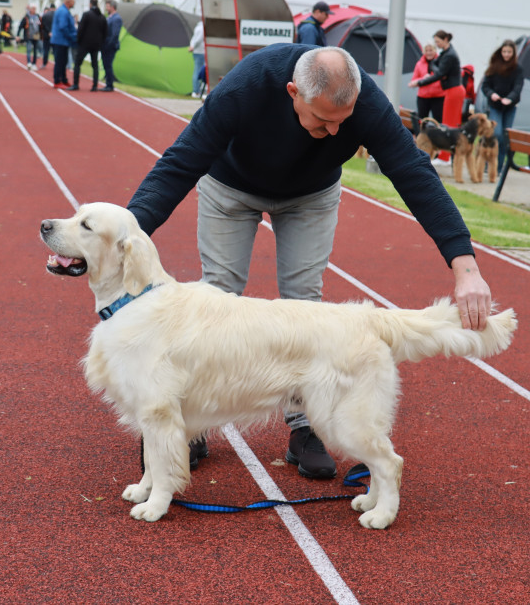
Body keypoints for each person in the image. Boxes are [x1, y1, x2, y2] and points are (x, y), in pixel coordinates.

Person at [126, 44, 492, 479]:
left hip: (311, 195)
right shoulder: (245, 86)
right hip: (230, 187)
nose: (336, 133)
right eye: (322, 120)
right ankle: (188, 424)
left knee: (306, 304)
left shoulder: (367, 104)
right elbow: (179, 163)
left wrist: (465, 266)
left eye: (344, 122)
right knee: (217, 298)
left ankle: (306, 425)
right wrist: (126, 235)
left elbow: (413, 173)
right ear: (292, 92)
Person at [408, 30, 463, 165]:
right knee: (447, 122)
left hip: (454, 90)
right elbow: (436, 68)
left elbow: (439, 74)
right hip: (450, 90)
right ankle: (447, 156)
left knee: (449, 124)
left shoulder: (449, 55)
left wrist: (419, 82)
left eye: (438, 42)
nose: (437, 45)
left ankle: (445, 157)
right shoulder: (445, 53)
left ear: (445, 39)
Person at [480, 39, 525, 172]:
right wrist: (492, 94)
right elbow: (485, 86)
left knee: (505, 137)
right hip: (495, 105)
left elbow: (518, 88)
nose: (506, 54)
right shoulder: (494, 66)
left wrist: (510, 99)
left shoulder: (518, 69)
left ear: (513, 53)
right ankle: (487, 163)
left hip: (510, 107)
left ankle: (498, 167)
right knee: (496, 133)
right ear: (501, 52)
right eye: (504, 51)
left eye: (509, 52)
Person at [68, 0, 107, 91]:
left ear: (90, 4)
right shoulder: (102, 17)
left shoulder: (87, 15)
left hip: (85, 44)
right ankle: (95, 86)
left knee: (77, 63)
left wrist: (78, 40)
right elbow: (105, 32)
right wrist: (100, 42)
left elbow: (80, 29)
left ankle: (76, 84)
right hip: (96, 45)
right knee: (95, 65)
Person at [411, 43, 445, 122]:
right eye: (426, 51)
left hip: (438, 97)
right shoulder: (419, 64)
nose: (429, 53)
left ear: (435, 51)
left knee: (439, 121)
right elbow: (413, 81)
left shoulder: (441, 62)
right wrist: (423, 78)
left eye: (431, 50)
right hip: (423, 97)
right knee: (422, 120)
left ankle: (438, 134)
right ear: (423, 52)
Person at [50, 0, 78, 87]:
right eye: (73, 2)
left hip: (63, 41)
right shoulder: (63, 11)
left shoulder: (65, 11)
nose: (74, 4)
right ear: (68, 2)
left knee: (64, 61)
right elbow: (63, 27)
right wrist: (71, 37)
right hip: (60, 40)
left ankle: (63, 79)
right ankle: (57, 80)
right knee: (60, 61)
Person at [101, 0, 122, 92]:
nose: (106, 8)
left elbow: (115, 34)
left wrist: (108, 45)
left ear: (112, 7)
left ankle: (109, 84)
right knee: (106, 64)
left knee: (108, 65)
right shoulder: (109, 17)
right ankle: (108, 83)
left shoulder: (116, 18)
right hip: (105, 45)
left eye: (107, 6)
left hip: (110, 46)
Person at [16, 4, 41, 71]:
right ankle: (29, 63)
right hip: (28, 35)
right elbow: (20, 26)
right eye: (33, 8)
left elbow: (40, 26)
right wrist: (18, 35)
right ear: (30, 9)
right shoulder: (26, 17)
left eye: (35, 9)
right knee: (29, 49)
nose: (34, 10)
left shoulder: (38, 16)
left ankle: (34, 64)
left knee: (35, 50)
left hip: (36, 35)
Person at [188, 19, 206, 98]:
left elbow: (193, 39)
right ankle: (196, 91)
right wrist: (193, 46)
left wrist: (192, 46)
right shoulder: (202, 28)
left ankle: (196, 91)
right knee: (199, 72)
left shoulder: (197, 27)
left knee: (197, 71)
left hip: (196, 51)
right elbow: (198, 40)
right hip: (200, 52)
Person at [40, 4, 55, 68]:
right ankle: (56, 63)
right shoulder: (56, 15)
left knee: (46, 50)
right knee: (55, 51)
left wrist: (48, 32)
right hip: (54, 35)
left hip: (46, 35)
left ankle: (44, 63)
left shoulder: (45, 15)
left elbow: (42, 25)